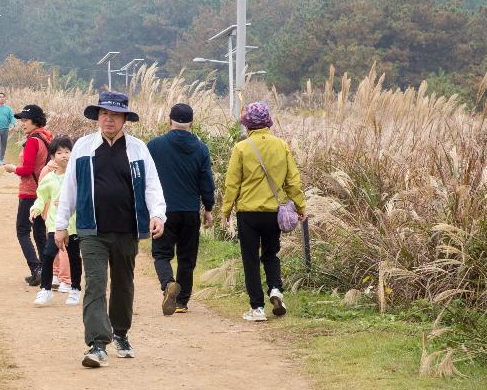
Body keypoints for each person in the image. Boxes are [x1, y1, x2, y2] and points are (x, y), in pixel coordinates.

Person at [55, 90, 166, 368]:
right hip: (92, 229)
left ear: (124, 119)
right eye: (105, 113)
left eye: (115, 114)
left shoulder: (138, 148)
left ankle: (121, 333)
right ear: (98, 116)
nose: (109, 119)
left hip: (128, 229)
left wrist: (158, 214)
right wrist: (60, 225)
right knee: (95, 283)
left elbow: (152, 185)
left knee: (123, 283)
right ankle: (97, 343)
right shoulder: (83, 146)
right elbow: (70, 187)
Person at [221, 101, 307, 323]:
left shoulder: (241, 148)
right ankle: (276, 290)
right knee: (271, 254)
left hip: (248, 213)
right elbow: (293, 181)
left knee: (250, 259)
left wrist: (226, 210)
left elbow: (233, 184)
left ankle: (257, 308)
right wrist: (300, 206)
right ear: (268, 123)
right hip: (273, 212)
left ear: (247, 125)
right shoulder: (281, 145)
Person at [147, 103, 216, 315]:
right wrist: (208, 208)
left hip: (163, 212)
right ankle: (181, 302)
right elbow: (206, 180)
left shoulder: (155, 146)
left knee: (161, 254)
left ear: (169, 121)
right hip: (189, 211)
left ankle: (168, 284)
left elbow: (146, 178)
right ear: (192, 123)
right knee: (187, 257)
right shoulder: (201, 148)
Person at [3, 104, 53, 289]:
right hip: (44, 190)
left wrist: (12, 168)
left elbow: (26, 169)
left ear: (35, 121)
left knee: (22, 230)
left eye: (25, 120)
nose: (22, 123)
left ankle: (36, 268)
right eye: (21, 120)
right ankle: (47, 271)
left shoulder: (33, 140)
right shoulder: (47, 137)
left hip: (30, 191)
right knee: (40, 232)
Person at [30, 135, 82, 306]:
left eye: (68, 151)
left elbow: (87, 197)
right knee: (48, 255)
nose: (64, 155)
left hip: (74, 225)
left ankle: (75, 289)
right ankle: (45, 290)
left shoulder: (78, 177)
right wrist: (36, 209)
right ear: (52, 157)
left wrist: (71, 201)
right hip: (54, 224)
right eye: (59, 152)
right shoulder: (49, 179)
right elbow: (41, 197)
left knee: (74, 256)